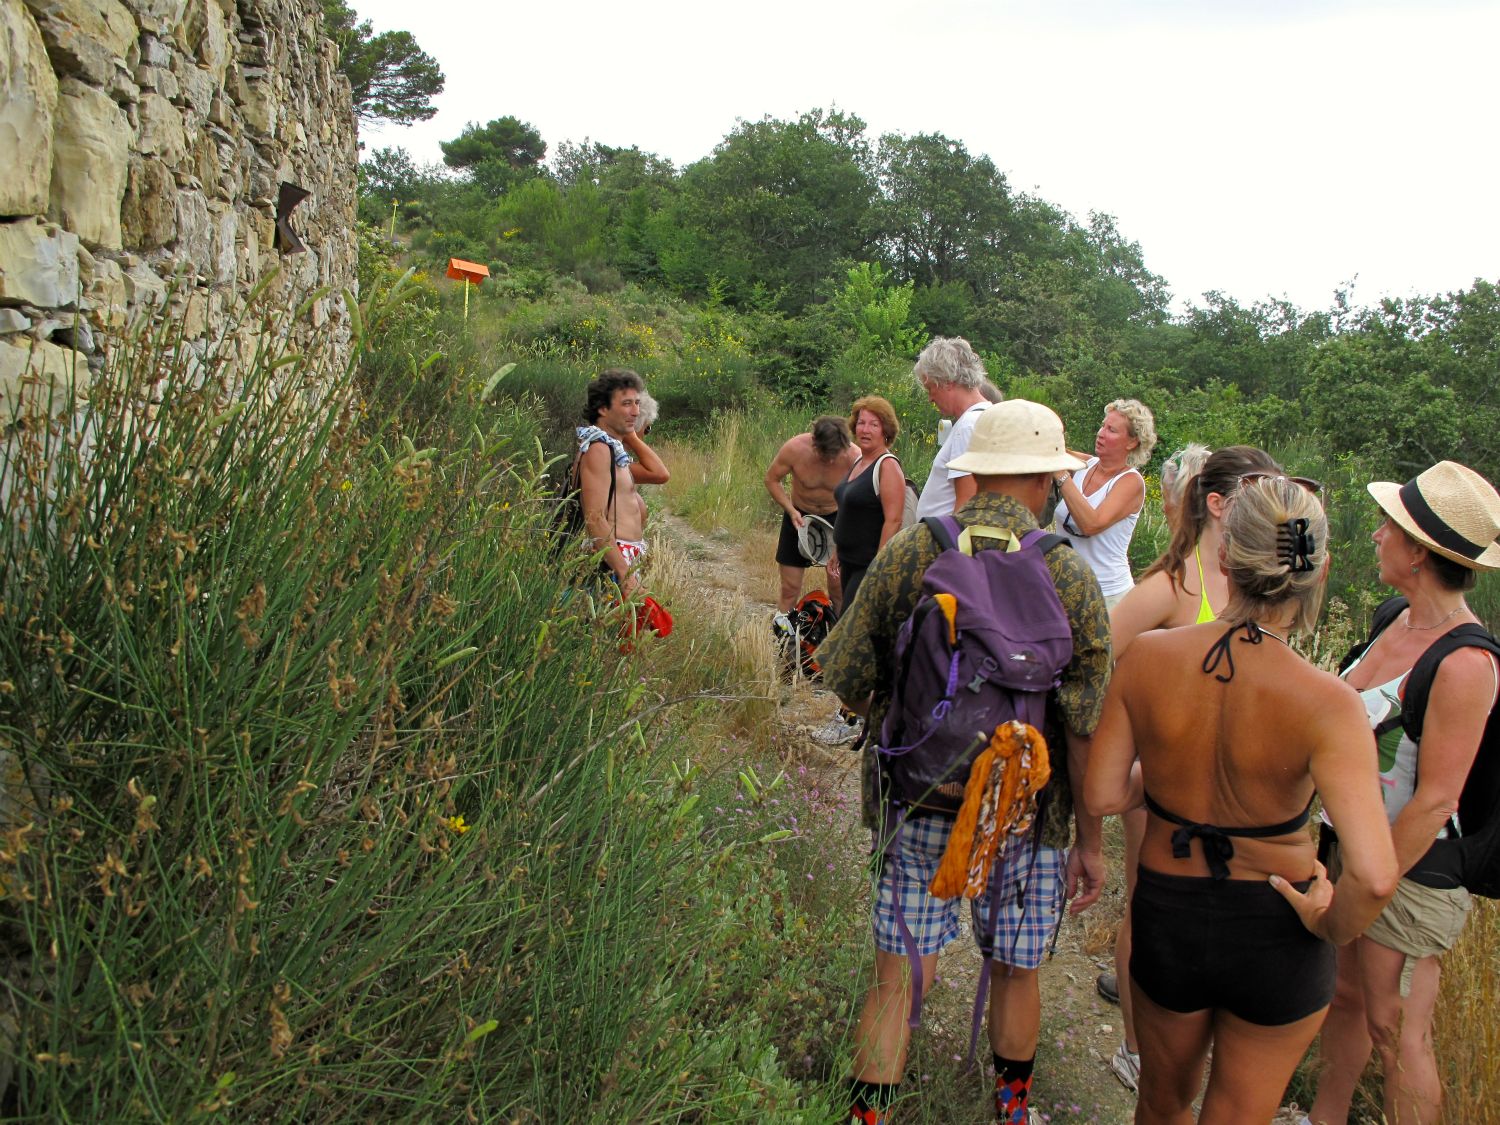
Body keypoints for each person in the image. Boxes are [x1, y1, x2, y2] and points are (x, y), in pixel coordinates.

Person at [819, 400, 1112, 1125]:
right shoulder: (1071, 576)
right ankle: (1011, 1113)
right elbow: (1083, 723)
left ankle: (868, 1119)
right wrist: (1091, 839)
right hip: (1026, 812)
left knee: (897, 980)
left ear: (973, 475)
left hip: (918, 799)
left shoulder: (914, 551)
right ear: (1046, 480)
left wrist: (913, 712)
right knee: (1016, 971)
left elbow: (847, 680)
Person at [1086, 475, 1398, 1125]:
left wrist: (1167, 777)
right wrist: (1328, 926)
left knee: (1160, 1105)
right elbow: (1371, 874)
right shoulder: (1329, 704)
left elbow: (1103, 791)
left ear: (1224, 555)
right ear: (1319, 570)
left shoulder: (1146, 658)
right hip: (1277, 927)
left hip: (1170, 909)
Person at [1303, 461, 1500, 1125]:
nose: (1378, 534)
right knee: (1348, 996)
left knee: (1396, 1026)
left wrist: (1369, 875)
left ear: (1419, 552)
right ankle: (1323, 1117)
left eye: (1391, 526)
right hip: (1355, 847)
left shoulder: (1467, 663)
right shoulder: (1395, 616)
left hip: (1410, 871)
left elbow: (1437, 799)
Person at [1093, 445, 1282, 1092]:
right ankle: (1134, 1049)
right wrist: (1126, 744)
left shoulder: (1257, 585)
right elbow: (1095, 662)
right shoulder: (1170, 588)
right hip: (1159, 783)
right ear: (1218, 504)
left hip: (1230, 791)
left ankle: (1179, 1047)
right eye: (1261, 492)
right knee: (1146, 909)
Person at [1052, 399, 1157, 607]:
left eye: (1112, 430)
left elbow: (1091, 524)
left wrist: (1060, 474)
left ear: (1132, 442)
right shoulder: (1084, 465)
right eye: (1102, 425)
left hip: (1106, 595)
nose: (1101, 433)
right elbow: (1050, 451)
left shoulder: (1130, 482)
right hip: (1064, 586)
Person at [576, 368, 669, 598]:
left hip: (619, 560)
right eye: (627, 403)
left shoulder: (610, 449)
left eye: (637, 403)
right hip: (610, 563)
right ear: (603, 408)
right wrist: (624, 574)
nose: (636, 412)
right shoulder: (598, 449)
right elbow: (594, 518)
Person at [764, 416, 858, 616]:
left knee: (838, 590)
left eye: (836, 454)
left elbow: (861, 499)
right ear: (815, 443)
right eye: (826, 455)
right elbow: (772, 479)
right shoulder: (795, 448)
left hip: (836, 519)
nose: (831, 460)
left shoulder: (854, 457)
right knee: (789, 589)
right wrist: (790, 509)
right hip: (798, 517)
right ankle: (783, 641)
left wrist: (847, 532)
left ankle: (837, 639)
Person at [828, 396, 907, 615]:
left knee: (850, 626)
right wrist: (838, 549)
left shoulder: (887, 466)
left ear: (886, 431)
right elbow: (850, 511)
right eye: (861, 423)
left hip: (867, 565)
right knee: (848, 623)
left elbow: (894, 520)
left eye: (874, 424)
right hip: (847, 561)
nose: (865, 430)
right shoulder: (859, 462)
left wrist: (877, 567)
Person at [912, 336, 991, 519]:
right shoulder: (987, 417)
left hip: (946, 543)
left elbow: (966, 506)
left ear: (947, 381)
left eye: (930, 388)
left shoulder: (968, 427)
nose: (930, 398)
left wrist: (953, 547)